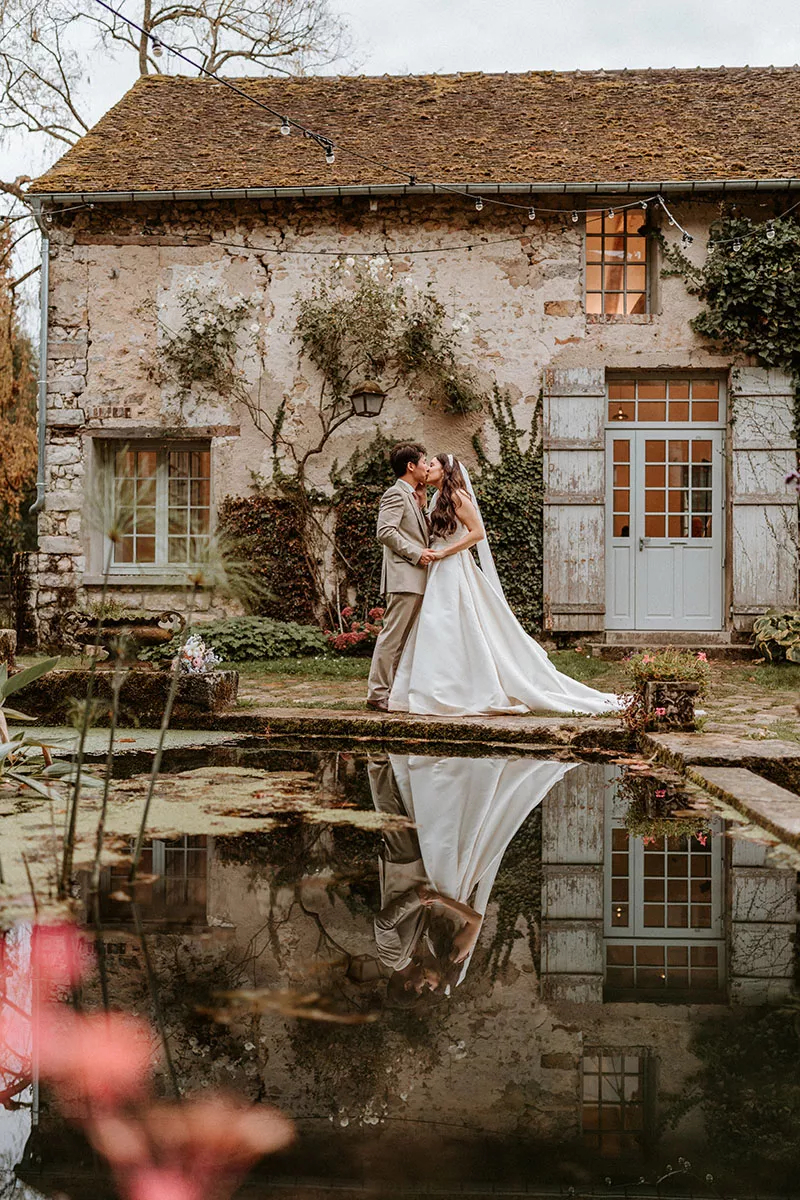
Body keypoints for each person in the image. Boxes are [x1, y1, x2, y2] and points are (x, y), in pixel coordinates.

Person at [389, 452, 624, 716]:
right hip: (437, 570)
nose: (428, 468)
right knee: (436, 626)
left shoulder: (459, 497)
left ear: (445, 470)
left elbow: (478, 533)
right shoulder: (435, 498)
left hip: (453, 566)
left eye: (432, 464)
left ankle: (461, 689)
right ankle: (435, 687)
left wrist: (446, 552)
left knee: (452, 622)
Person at [366, 442, 435, 712]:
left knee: (403, 640)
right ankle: (377, 694)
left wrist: (423, 504)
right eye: (424, 461)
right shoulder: (395, 494)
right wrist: (416, 553)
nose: (427, 466)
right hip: (404, 576)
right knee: (392, 637)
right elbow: (385, 531)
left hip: (416, 577)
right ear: (411, 466)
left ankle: (391, 692)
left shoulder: (414, 496)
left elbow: (418, 531)